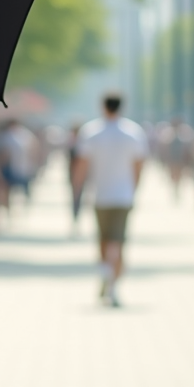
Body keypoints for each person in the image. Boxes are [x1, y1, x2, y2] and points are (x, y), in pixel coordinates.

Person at [73, 92, 149, 307]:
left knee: (104, 240)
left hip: (100, 194)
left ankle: (106, 276)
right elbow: (139, 165)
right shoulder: (133, 132)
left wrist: (77, 187)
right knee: (118, 241)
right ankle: (113, 283)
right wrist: (135, 188)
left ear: (102, 106)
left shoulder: (91, 132)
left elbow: (82, 164)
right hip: (123, 195)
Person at [67, 122, 85, 237]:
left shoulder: (81, 143)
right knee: (76, 198)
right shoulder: (75, 143)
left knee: (77, 198)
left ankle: (76, 219)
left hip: (78, 174)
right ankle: (76, 219)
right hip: (75, 174)